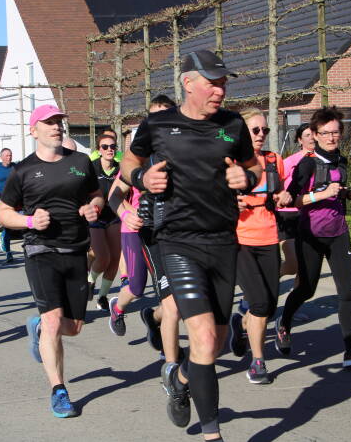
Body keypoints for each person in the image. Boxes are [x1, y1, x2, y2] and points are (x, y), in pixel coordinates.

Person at [121, 50, 259, 441]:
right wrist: (142, 178)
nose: (220, 91)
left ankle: (180, 379)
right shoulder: (158, 124)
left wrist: (246, 178)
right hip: (177, 241)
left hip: (223, 241)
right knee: (203, 336)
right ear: (188, 82)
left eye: (224, 83)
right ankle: (213, 433)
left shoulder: (232, 124)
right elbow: (129, 162)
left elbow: (253, 167)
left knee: (213, 344)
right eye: (213, 83)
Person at [0, 104, 103, 418]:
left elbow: (96, 194)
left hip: (76, 251)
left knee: (73, 328)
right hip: (40, 250)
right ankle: (59, 390)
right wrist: (29, 221)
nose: (57, 126)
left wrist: (93, 207)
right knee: (55, 321)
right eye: (49, 122)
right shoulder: (23, 170)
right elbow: (2, 213)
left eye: (59, 121)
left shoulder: (80, 162)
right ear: (34, 131)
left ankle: (39, 327)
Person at [276, 106, 351, 368]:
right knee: (306, 289)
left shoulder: (341, 160)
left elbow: (336, 189)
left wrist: (349, 194)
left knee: (347, 293)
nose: (331, 137)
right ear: (315, 135)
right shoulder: (308, 163)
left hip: (338, 233)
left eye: (335, 132)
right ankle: (284, 323)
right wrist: (324, 194)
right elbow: (293, 200)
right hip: (310, 234)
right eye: (325, 133)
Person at [105, 95, 178, 347]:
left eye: (166, 116)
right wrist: (127, 214)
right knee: (136, 287)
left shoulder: (183, 151)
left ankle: (160, 328)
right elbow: (114, 196)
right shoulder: (139, 156)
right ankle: (118, 307)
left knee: (175, 295)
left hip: (172, 230)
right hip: (138, 228)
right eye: (154, 117)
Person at [230, 108, 291, 384]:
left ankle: (242, 324)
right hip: (241, 239)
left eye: (265, 130)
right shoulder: (230, 161)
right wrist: (229, 203)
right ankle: (257, 362)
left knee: (269, 304)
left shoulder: (274, 160)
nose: (261, 134)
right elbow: (211, 197)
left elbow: (279, 191)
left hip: (269, 237)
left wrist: (283, 195)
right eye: (255, 130)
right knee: (260, 302)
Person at [87, 133, 122, 311]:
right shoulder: (92, 168)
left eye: (112, 146)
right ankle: (90, 282)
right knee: (102, 257)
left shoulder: (120, 169)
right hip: (96, 218)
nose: (109, 150)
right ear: (99, 150)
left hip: (114, 217)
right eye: (105, 147)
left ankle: (102, 297)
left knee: (114, 259)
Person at [278, 123, 315, 277]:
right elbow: (278, 184)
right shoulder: (290, 161)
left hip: (309, 214)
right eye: (307, 135)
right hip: (288, 214)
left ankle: (298, 292)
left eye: (314, 134)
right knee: (293, 264)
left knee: (305, 264)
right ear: (300, 140)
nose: (312, 138)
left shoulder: (322, 161)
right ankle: (269, 281)